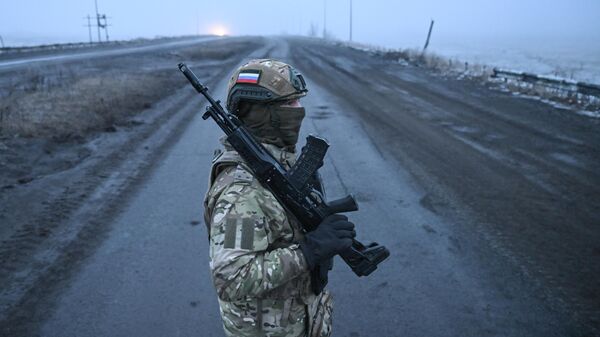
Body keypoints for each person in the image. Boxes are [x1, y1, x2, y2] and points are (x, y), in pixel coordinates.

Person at [203, 59, 356, 337]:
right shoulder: (243, 192)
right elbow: (232, 278)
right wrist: (310, 249)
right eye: (291, 104)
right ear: (263, 113)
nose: (299, 110)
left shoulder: (276, 162)